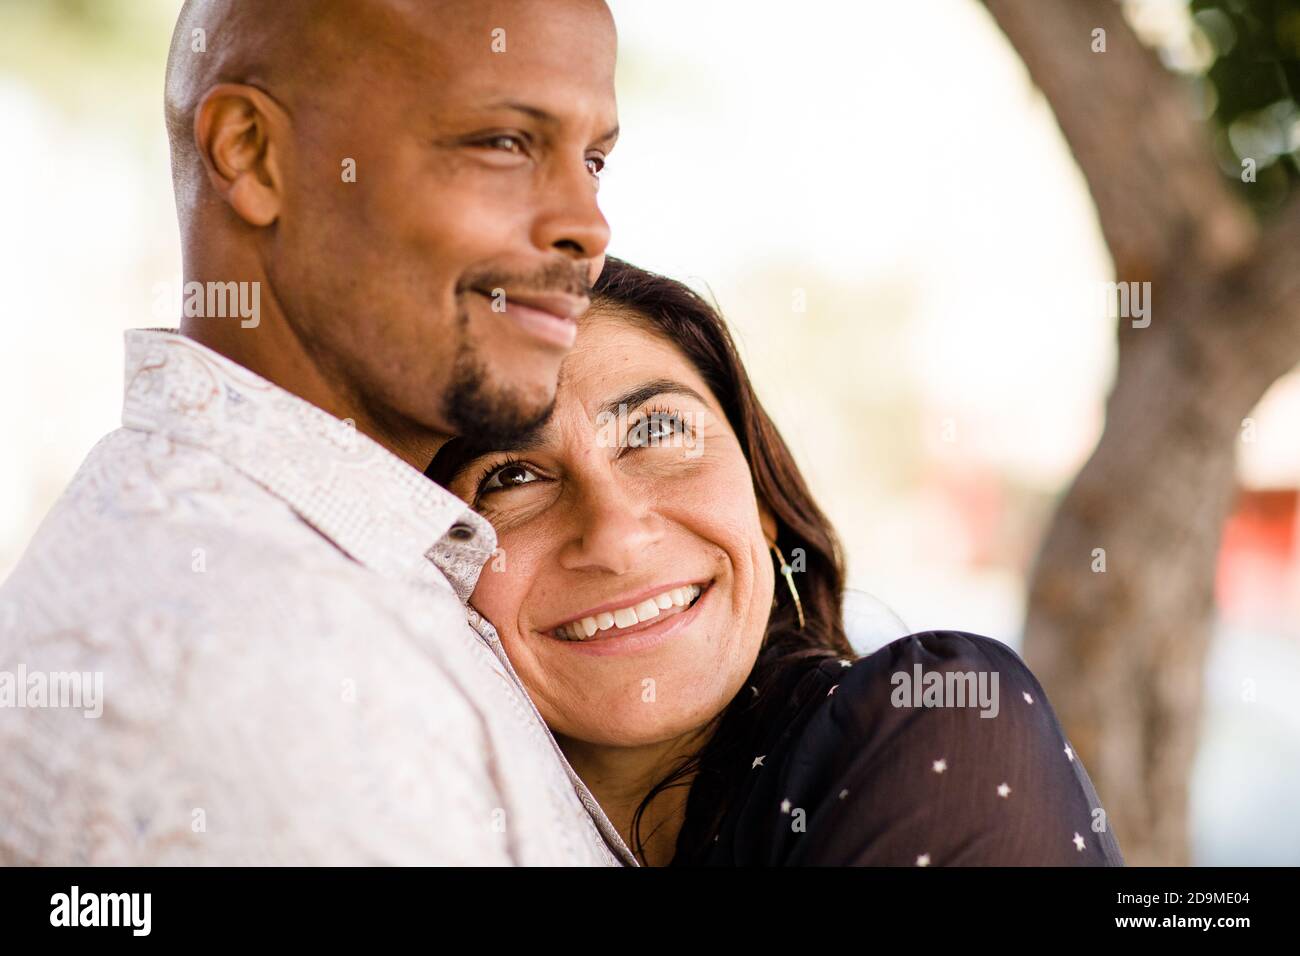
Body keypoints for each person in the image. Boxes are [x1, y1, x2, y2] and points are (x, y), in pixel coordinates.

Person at [0, 0, 634, 865]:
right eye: (504, 143)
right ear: (254, 156)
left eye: (593, 159)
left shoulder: (343, 570)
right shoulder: (255, 670)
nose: (588, 228)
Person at [428, 257, 1128, 867]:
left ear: (760, 496)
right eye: (510, 477)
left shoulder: (939, 729)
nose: (615, 536)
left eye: (658, 431)